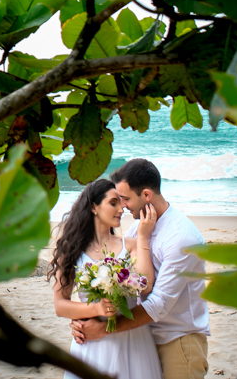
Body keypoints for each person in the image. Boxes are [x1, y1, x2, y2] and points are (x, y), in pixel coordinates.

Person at [71, 159, 210, 379]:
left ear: (146, 195)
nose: (122, 206)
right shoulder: (139, 227)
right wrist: (88, 317)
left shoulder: (182, 237)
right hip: (142, 338)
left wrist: (103, 329)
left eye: (125, 199)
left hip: (177, 341)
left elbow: (159, 304)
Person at [50, 177, 161, 379]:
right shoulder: (72, 251)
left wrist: (144, 236)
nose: (121, 209)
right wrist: (95, 309)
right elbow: (60, 305)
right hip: (91, 343)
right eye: (113, 203)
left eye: (121, 202)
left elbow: (146, 286)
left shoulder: (132, 245)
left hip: (132, 342)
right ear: (94, 207)